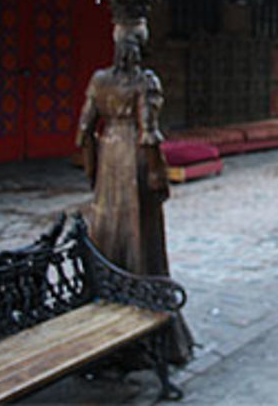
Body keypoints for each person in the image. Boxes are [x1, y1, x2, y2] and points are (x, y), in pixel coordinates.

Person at [76, 18, 193, 365]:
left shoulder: (99, 81)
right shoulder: (145, 82)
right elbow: (148, 133)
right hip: (134, 158)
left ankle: (105, 298)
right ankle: (140, 312)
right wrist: (158, 174)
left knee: (106, 225)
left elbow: (83, 128)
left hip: (108, 151)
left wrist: (91, 167)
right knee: (140, 230)